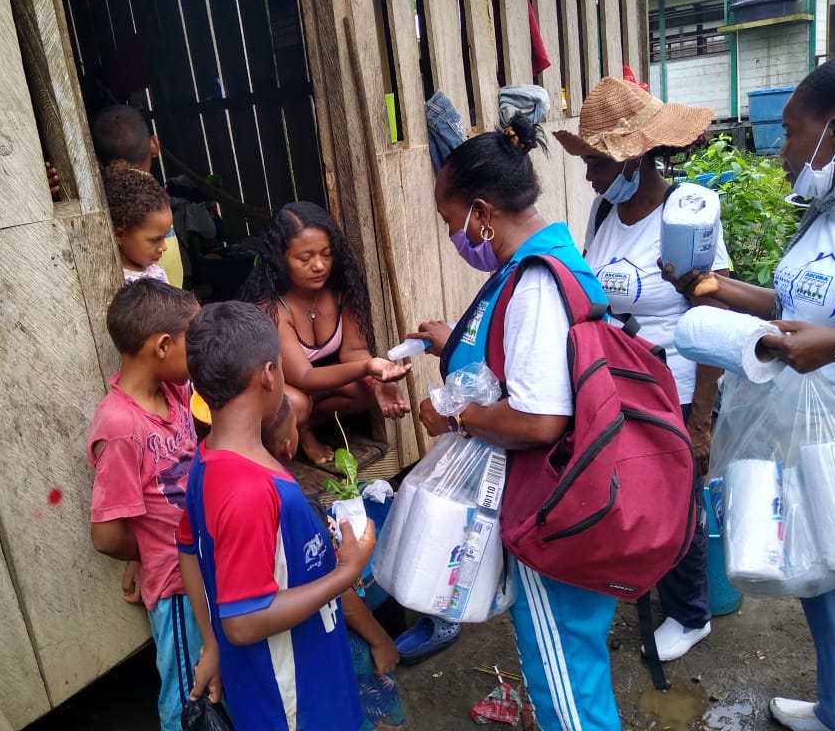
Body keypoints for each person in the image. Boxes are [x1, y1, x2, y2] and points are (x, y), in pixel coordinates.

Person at [664, 52, 835, 731]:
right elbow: (793, 300)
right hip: (812, 437)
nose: (781, 151)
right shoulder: (831, 210)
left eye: (791, 130)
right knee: (824, 580)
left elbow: (832, 330)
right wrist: (713, 289)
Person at [410, 112, 621, 730]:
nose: (455, 235)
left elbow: (540, 420)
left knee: (565, 682)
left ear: (480, 211)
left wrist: (452, 417)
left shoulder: (532, 281)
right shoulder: (544, 256)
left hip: (550, 509)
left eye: (453, 223)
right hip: (571, 499)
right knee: (569, 663)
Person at [553, 75, 730, 661]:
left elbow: (714, 320)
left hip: (675, 387)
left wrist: (701, 418)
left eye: (597, 163)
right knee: (637, 494)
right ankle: (647, 586)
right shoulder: (604, 214)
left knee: (680, 499)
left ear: (635, 158)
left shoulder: (685, 218)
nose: (589, 176)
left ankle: (691, 613)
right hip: (620, 386)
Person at [178, 300, 376, 730]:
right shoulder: (248, 490)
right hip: (289, 702)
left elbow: (189, 549)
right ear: (269, 374)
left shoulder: (208, 459)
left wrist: (209, 644)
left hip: (306, 676)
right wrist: (348, 571)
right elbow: (245, 622)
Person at [86, 278, 203, 731]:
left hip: (199, 564)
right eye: (193, 342)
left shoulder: (173, 392)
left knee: (211, 676)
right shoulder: (119, 426)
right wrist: (147, 554)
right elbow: (107, 534)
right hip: (174, 585)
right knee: (186, 692)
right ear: (164, 345)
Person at [262, 396, 406, 731]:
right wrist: (380, 639)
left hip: (293, 653)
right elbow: (339, 591)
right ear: (289, 445)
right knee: (374, 715)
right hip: (339, 635)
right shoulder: (301, 509)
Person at [240, 202, 411, 465]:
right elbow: (304, 376)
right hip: (281, 388)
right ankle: (301, 432)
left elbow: (353, 352)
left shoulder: (342, 292)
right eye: (305, 258)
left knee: (368, 391)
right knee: (296, 403)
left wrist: (376, 380)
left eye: (326, 254)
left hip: (315, 388)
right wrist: (369, 367)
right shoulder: (273, 308)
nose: (319, 265)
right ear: (280, 259)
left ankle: (305, 425)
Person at [92, 104, 185, 287]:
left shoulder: (149, 199)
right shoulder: (143, 202)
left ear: (97, 161)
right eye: (155, 238)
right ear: (154, 145)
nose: (163, 247)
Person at [102, 163, 175, 285]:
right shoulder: (114, 282)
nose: (164, 247)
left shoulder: (156, 272)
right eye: (155, 240)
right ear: (120, 235)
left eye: (164, 236)